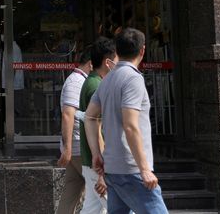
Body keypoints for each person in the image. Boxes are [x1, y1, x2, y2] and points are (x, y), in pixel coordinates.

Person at [84, 28, 168, 214]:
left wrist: (96, 153)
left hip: (113, 168)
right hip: (132, 168)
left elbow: (89, 117)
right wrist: (144, 169)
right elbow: (130, 125)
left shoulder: (106, 79)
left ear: (117, 52)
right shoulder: (133, 79)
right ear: (142, 50)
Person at [77, 38, 117, 214]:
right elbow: (98, 130)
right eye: (117, 60)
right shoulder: (97, 87)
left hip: (91, 161)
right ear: (108, 62)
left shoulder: (93, 82)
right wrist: (103, 170)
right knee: (118, 208)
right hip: (98, 163)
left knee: (92, 209)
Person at [56, 51, 92, 214]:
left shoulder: (80, 80)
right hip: (79, 148)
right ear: (91, 63)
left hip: (76, 148)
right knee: (102, 192)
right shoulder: (76, 82)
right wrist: (68, 149)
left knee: (72, 190)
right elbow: (68, 114)